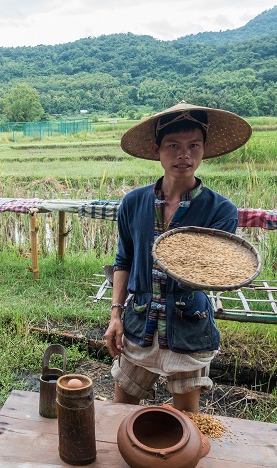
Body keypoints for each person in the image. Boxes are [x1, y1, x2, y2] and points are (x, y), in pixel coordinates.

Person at [105, 101, 252, 412]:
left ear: (204, 148)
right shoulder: (133, 203)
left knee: (185, 419)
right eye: (173, 145)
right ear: (158, 149)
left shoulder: (220, 210)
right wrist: (116, 315)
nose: (183, 154)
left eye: (193, 145)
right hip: (139, 320)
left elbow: (215, 269)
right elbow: (124, 261)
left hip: (188, 325)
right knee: (122, 411)